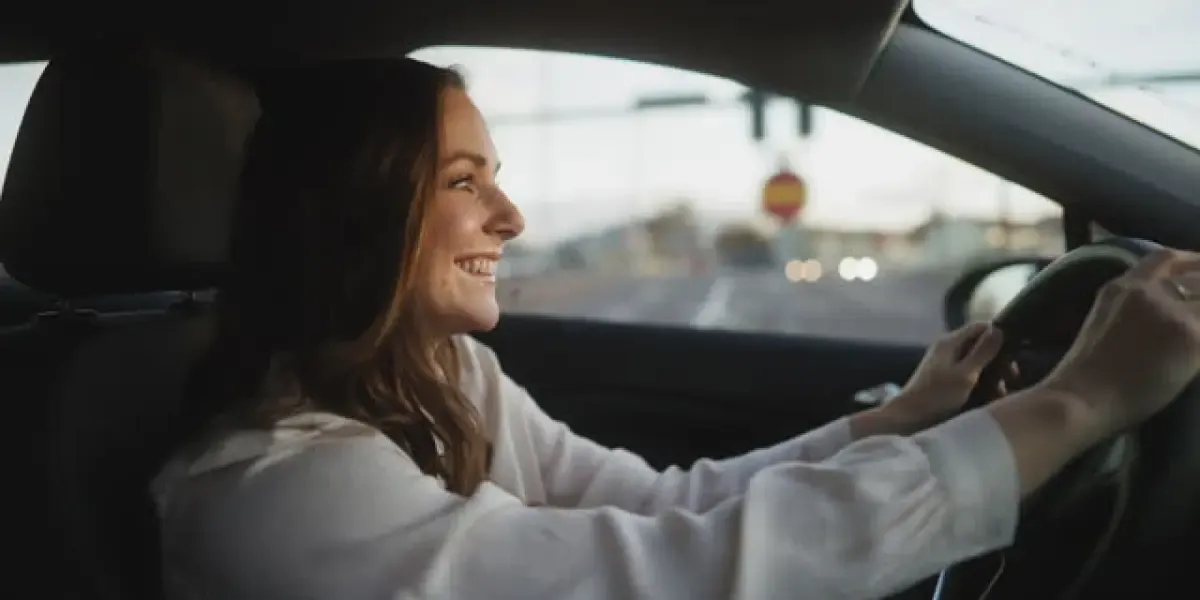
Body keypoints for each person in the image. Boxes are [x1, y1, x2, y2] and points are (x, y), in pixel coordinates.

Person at [151, 57, 1200, 600]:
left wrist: (898, 422)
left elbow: (660, 507)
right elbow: (677, 576)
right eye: (465, 182)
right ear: (354, 212)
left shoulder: (445, 373)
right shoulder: (273, 491)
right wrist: (1077, 404)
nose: (510, 218)